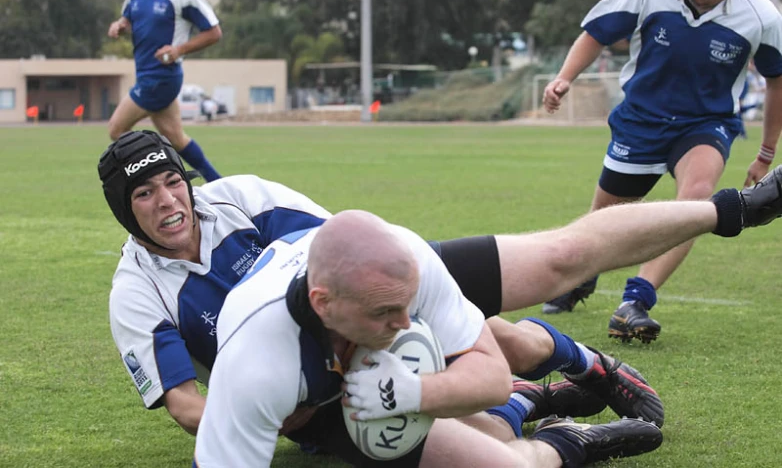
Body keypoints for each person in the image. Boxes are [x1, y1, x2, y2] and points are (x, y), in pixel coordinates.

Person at [98, 130, 666, 438]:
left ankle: (587, 365)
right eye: (144, 195)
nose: (168, 201)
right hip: (305, 387)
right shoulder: (136, 292)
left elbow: (348, 253)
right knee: (467, 436)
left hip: (355, 310)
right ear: (126, 213)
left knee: (503, 341)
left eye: (173, 182)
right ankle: (532, 403)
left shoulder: (241, 197)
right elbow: (185, 406)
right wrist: (263, 408)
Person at [194, 210, 664, 468]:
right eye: (383, 312)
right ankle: (567, 437)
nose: (404, 323)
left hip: (371, 364)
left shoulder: (408, 259)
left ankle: (576, 369)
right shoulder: (257, 366)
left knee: (513, 350)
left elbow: (492, 375)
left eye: (406, 304)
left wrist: (416, 391)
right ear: (323, 303)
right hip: (317, 396)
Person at [540, 0, 782, 344]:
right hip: (640, 122)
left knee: (695, 202)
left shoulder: (760, 15)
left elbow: (776, 80)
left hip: (706, 124)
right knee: (603, 217)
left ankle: (635, 302)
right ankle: (581, 277)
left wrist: (766, 152)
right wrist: (565, 78)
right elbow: (596, 33)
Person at [106, 0, 223, 182]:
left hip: (162, 76)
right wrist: (119, 25)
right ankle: (220, 184)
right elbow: (128, 17)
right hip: (146, 75)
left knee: (116, 130)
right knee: (177, 139)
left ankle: (156, 176)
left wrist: (178, 49)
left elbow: (214, 32)